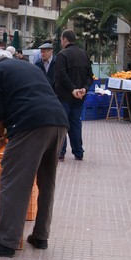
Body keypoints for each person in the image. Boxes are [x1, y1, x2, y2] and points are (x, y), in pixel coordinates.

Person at [0, 48, 68, 257]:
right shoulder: (31, 67)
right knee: (47, 181)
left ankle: (7, 242)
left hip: (30, 124)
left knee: (14, 182)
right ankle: (40, 236)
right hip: (58, 121)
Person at [54, 29, 92, 162]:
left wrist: (72, 89)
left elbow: (61, 75)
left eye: (61, 40)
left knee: (62, 123)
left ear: (65, 39)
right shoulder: (84, 54)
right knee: (76, 122)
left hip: (64, 96)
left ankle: (61, 152)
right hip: (80, 97)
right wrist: (84, 89)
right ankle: (78, 151)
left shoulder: (62, 55)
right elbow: (89, 76)